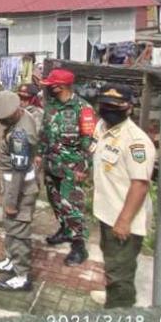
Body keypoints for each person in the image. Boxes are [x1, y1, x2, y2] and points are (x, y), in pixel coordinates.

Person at [90, 84, 155, 308]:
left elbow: (140, 184)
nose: (108, 110)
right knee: (111, 263)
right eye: (105, 105)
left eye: (115, 106)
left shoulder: (136, 141)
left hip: (123, 219)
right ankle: (112, 298)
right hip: (107, 212)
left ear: (129, 108)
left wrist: (124, 221)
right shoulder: (102, 127)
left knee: (120, 275)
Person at [36, 68, 95, 266]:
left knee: (73, 207)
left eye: (51, 85)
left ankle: (79, 246)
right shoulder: (51, 107)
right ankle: (64, 230)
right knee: (56, 202)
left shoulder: (83, 109)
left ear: (59, 86)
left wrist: (83, 168)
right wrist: (38, 154)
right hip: (52, 165)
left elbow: (90, 143)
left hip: (72, 169)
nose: (48, 88)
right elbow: (44, 134)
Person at [0, 91, 39, 292]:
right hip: (14, 187)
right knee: (11, 228)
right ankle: (11, 260)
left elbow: (18, 172)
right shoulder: (25, 115)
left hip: (20, 191)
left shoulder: (19, 135)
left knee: (19, 233)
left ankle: (22, 276)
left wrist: (11, 202)